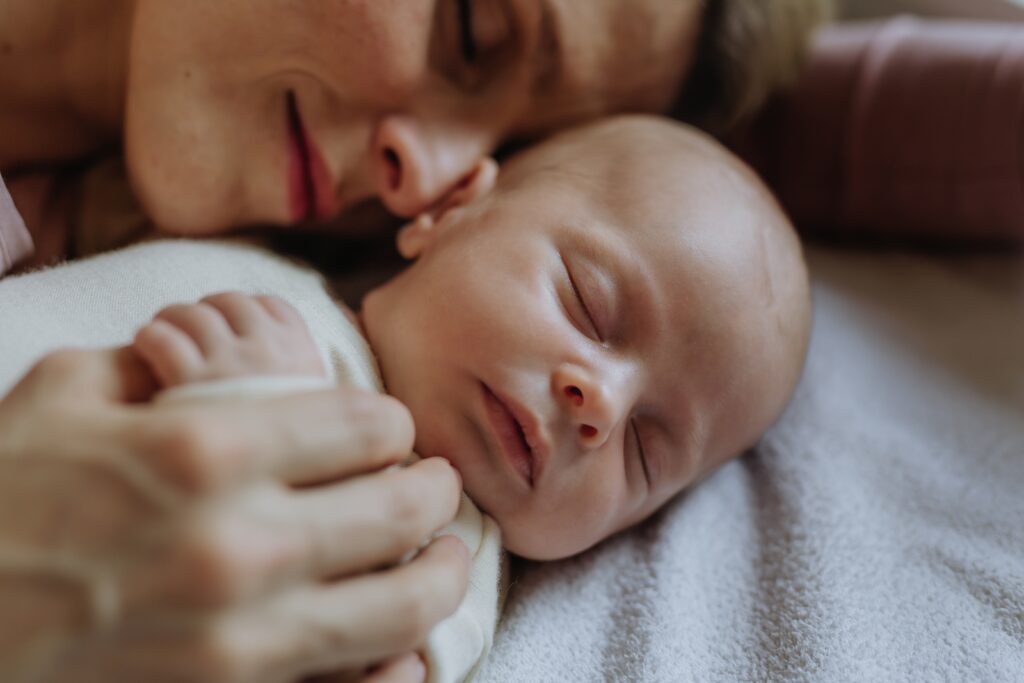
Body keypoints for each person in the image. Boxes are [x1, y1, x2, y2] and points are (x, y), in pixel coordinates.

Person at [0, 3, 829, 680]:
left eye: (647, 451)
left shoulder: (442, 544)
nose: (424, 173)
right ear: (454, 215)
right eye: (471, 31)